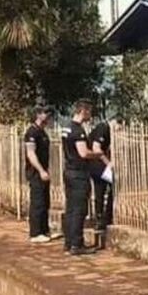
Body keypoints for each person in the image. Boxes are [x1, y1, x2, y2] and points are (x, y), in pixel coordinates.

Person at [61, 100, 102, 255]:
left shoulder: (66, 127)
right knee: (79, 209)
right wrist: (97, 154)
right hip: (78, 174)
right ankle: (77, 244)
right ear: (83, 111)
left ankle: (69, 242)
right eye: (89, 112)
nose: (90, 115)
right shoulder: (78, 130)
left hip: (69, 171)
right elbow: (83, 153)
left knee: (70, 208)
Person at [24, 105, 53, 243]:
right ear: (38, 114)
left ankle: (44, 230)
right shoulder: (32, 132)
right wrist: (41, 170)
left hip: (44, 171)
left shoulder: (42, 132)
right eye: (46, 113)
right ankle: (35, 233)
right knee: (38, 202)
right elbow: (31, 153)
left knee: (45, 201)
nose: (48, 116)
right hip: (35, 172)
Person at [88, 119, 114, 247]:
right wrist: (108, 163)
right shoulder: (103, 128)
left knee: (100, 191)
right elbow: (96, 148)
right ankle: (105, 217)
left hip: (94, 165)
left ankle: (101, 218)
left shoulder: (102, 128)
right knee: (112, 186)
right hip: (97, 165)